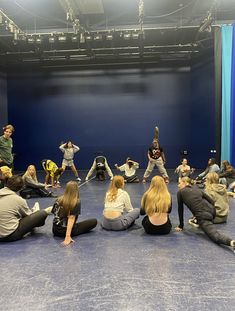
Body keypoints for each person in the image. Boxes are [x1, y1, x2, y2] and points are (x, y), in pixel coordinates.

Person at [175, 177, 235, 252]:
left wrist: (181, 225)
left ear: (185, 183)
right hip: (212, 212)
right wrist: (212, 213)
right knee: (198, 219)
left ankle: (231, 242)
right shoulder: (197, 189)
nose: (178, 185)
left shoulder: (180, 192)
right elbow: (212, 202)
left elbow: (180, 209)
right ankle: (197, 220)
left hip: (202, 216)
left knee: (215, 235)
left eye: (180, 183)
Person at [0, 175, 52, 242]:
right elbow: (28, 216)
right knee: (42, 213)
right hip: (10, 235)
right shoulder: (18, 200)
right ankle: (40, 210)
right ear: (21, 188)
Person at [52, 181, 97, 246]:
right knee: (94, 221)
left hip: (55, 230)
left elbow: (54, 213)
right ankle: (68, 233)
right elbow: (71, 219)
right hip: (64, 231)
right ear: (76, 190)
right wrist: (67, 236)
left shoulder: (58, 199)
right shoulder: (76, 202)